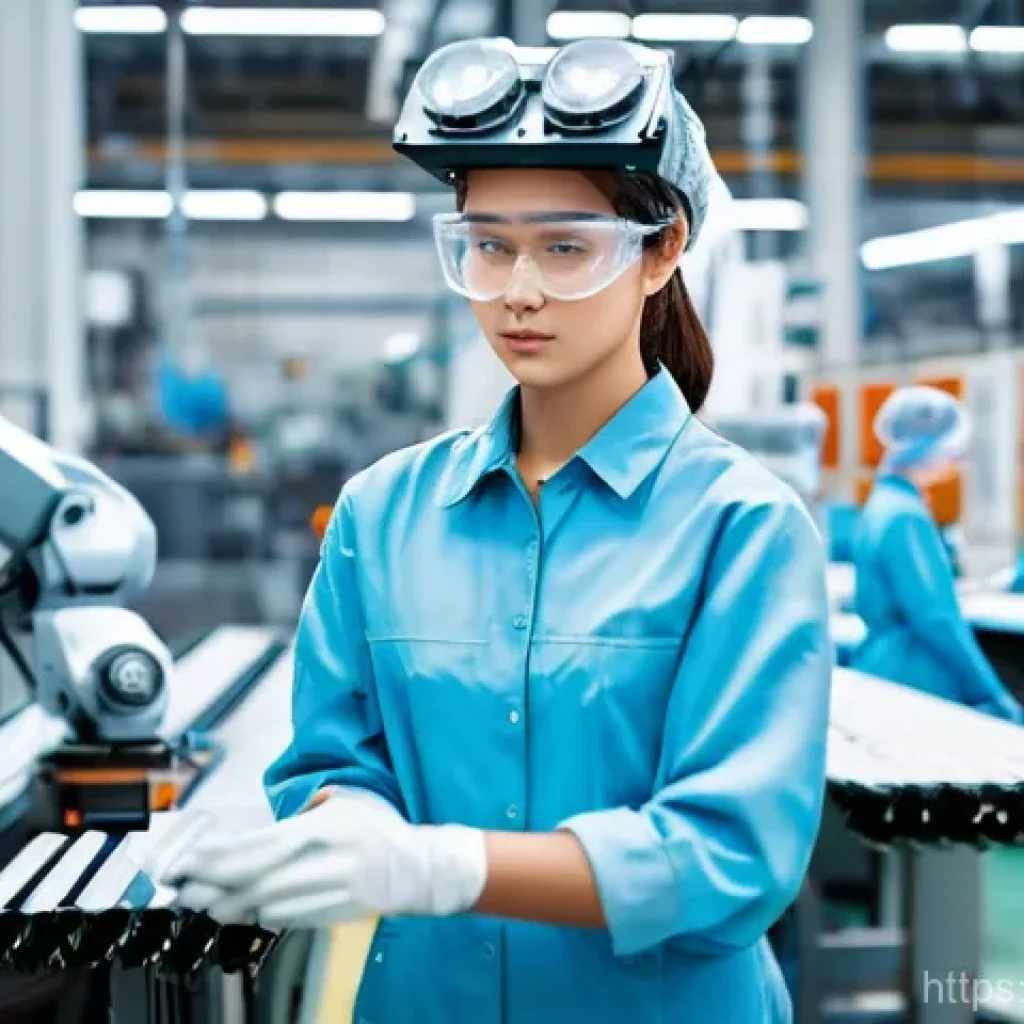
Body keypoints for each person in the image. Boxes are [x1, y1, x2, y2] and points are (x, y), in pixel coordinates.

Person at [157, 37, 832, 1023]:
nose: (518, 288)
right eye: (487, 244)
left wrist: (444, 866)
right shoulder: (381, 513)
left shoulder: (743, 529)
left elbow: (732, 854)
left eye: (564, 247)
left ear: (661, 251)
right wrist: (347, 831)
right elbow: (331, 761)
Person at [850, 385, 1022, 721]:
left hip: (883, 666)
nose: (954, 459)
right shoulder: (905, 516)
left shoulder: (882, 504)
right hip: (912, 674)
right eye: (950, 448)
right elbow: (935, 617)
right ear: (927, 446)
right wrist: (990, 692)